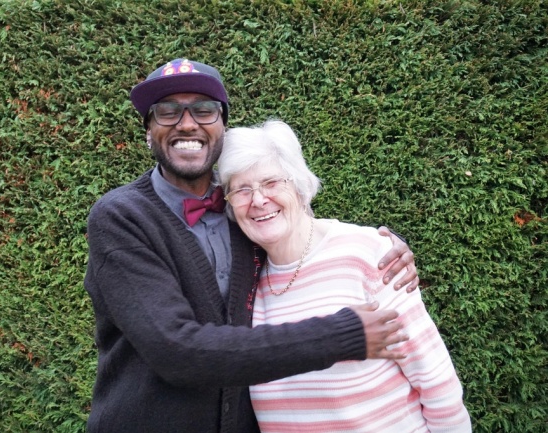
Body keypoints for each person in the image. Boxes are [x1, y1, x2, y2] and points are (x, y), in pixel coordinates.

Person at [83, 58, 420, 433]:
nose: (187, 123)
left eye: (204, 110)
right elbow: (177, 352)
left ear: (223, 127)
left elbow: (302, 231)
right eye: (167, 111)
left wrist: (380, 245)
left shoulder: (243, 207)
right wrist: (341, 335)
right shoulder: (121, 217)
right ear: (149, 130)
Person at [217, 119, 471, 433]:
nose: (257, 200)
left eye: (271, 183)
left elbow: (434, 379)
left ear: (300, 186)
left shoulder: (367, 254)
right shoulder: (245, 278)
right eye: (241, 190)